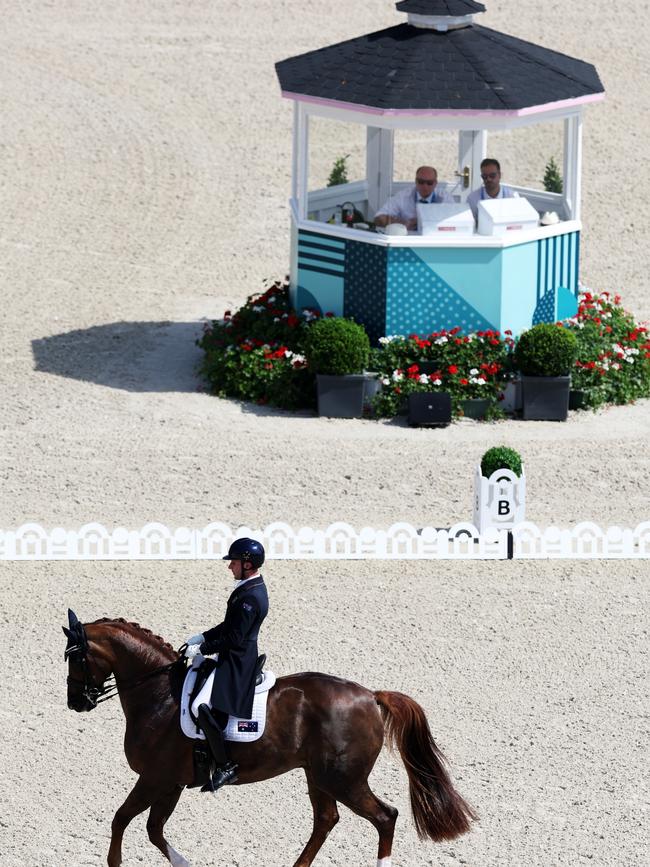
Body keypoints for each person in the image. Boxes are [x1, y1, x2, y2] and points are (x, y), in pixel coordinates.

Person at [185, 537, 269, 793]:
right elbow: (228, 626)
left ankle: (225, 765)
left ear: (247, 563)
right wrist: (204, 636)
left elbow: (234, 638)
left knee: (200, 706)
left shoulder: (251, 596)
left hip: (237, 660)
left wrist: (203, 649)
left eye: (233, 562)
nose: (229, 566)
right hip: (234, 654)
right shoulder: (248, 587)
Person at [374, 165, 451, 230]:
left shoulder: (444, 197)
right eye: (421, 182)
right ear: (416, 181)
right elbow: (379, 218)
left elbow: (454, 222)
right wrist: (403, 223)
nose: (425, 186)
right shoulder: (403, 196)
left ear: (435, 183)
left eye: (429, 183)